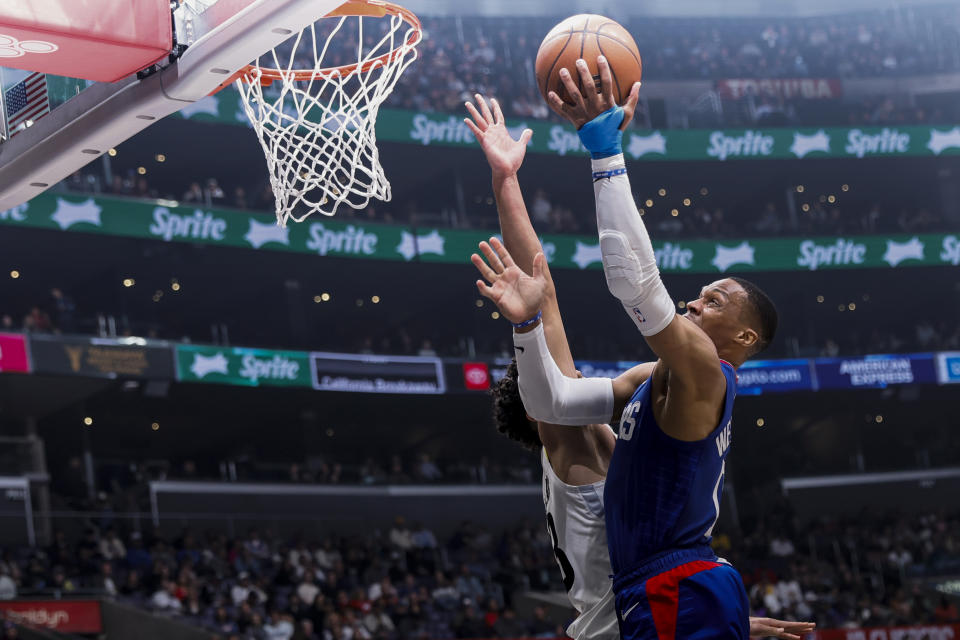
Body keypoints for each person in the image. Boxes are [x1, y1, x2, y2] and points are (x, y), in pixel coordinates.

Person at [465, 94, 811, 640]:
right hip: (655, 600)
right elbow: (551, 395)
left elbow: (623, 290)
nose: (695, 303)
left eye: (712, 301)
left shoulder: (703, 369)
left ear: (744, 336)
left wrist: (600, 158)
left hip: (661, 596)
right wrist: (527, 321)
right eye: (700, 296)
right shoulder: (638, 392)